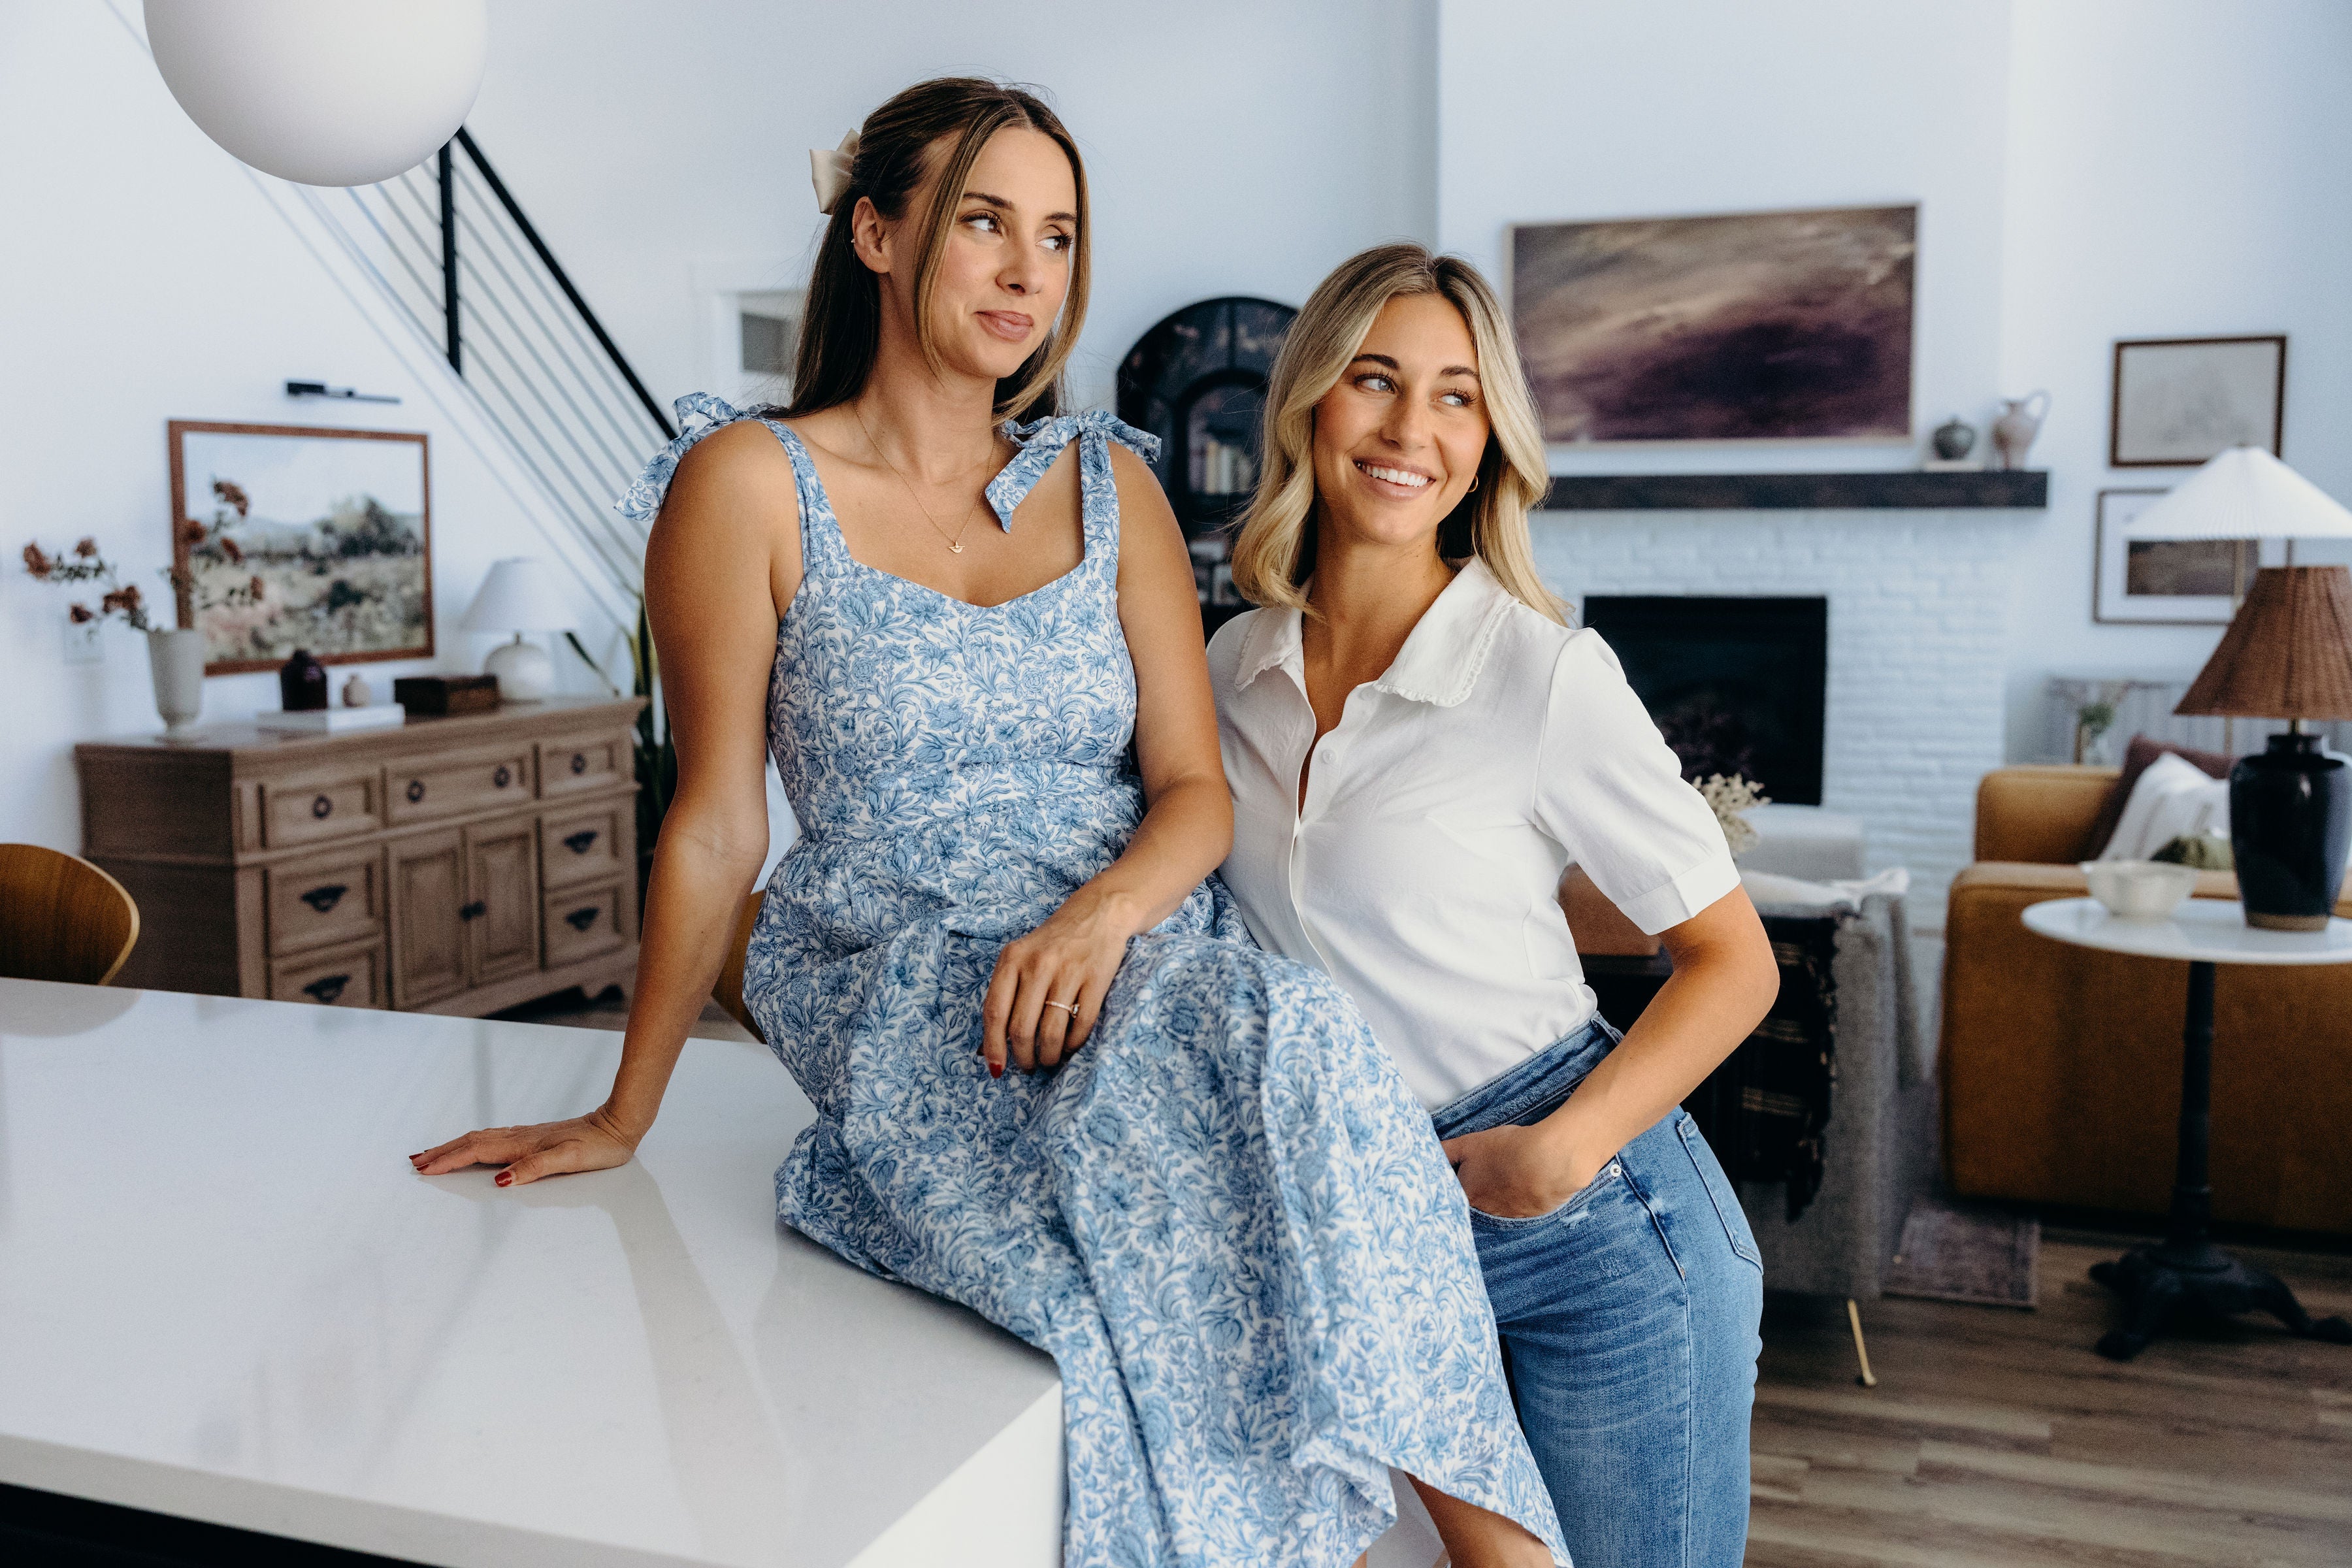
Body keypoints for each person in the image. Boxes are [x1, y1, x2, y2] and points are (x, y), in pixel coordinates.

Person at [412, 82, 1565, 1567]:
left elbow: (1195, 792)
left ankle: (1489, 1554)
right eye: (986, 223)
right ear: (879, 233)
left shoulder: (1113, 483)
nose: (1031, 272)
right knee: (1142, 1210)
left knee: (1305, 1047)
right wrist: (626, 1110)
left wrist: (1102, 917)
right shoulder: (748, 487)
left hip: (1125, 936)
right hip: (902, 967)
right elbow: (709, 827)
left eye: (1062, 236)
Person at [1209, 243, 1780, 1568]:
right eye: (1377, 380)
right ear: (1309, 404)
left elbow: (1732, 963)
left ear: (1490, 438)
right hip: (1371, 1208)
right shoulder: (1230, 664)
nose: (1414, 428)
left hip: (1593, 1225)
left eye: (1458, 396)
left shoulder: (1545, 674)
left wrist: (1563, 1152)